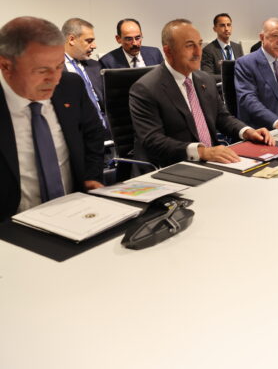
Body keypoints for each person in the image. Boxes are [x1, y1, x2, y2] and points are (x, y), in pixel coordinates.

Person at [129, 19, 273, 168]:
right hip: (174, 167)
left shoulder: (205, 79)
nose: (198, 52)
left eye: (199, 44)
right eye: (190, 46)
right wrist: (202, 152)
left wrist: (247, 132)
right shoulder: (145, 88)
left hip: (213, 162)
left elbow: (222, 118)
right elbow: (153, 141)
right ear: (168, 51)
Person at [0, 16, 104, 220]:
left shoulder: (70, 85)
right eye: (42, 71)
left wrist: (91, 177)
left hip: (75, 210)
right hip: (11, 224)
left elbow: (93, 134)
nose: (54, 79)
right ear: (6, 66)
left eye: (58, 66)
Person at [235, 18, 278, 130]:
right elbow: (248, 100)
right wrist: (276, 121)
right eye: (276, 36)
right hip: (267, 130)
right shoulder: (246, 63)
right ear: (262, 37)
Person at [61, 17, 107, 129]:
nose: (94, 46)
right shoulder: (54, 69)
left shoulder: (96, 66)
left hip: (106, 132)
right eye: (89, 41)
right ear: (71, 39)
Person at [100, 18, 164, 69]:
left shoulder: (155, 53)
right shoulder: (107, 62)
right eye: (129, 39)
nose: (135, 44)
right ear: (118, 39)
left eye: (138, 38)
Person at [201, 13, 244, 82]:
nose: (226, 29)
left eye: (229, 25)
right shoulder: (208, 50)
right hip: (221, 89)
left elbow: (243, 69)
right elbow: (208, 76)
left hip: (240, 87)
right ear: (215, 29)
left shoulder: (237, 47)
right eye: (222, 25)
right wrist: (231, 77)